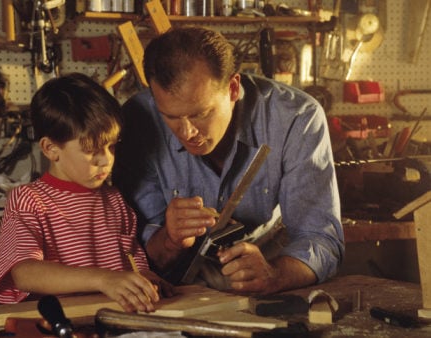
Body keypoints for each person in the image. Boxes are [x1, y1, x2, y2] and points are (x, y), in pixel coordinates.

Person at [113, 26, 344, 295]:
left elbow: (322, 240)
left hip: (269, 282)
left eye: (200, 114)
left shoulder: (296, 118)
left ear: (233, 88)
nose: (187, 133)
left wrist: (275, 274)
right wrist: (170, 240)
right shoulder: (138, 119)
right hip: (175, 296)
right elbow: (134, 256)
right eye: (172, 117)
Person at [0, 73, 170, 312]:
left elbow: (134, 265)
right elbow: (24, 272)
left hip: (111, 320)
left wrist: (147, 281)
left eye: (111, 146)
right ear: (51, 149)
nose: (105, 159)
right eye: (91, 150)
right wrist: (103, 279)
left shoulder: (115, 200)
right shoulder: (29, 200)